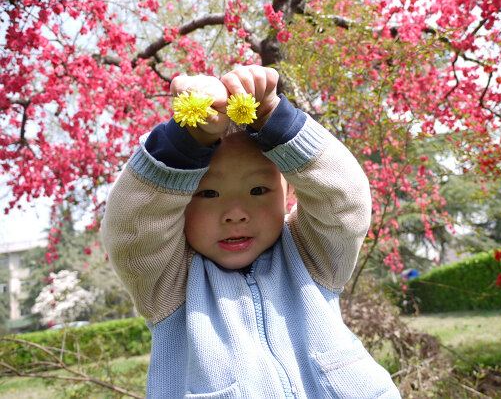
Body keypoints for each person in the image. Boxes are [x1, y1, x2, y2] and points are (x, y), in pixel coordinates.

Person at [101, 65, 401, 398]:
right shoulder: (168, 283)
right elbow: (134, 228)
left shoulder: (312, 253)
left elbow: (343, 198)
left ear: (289, 196)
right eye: (208, 194)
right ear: (178, 203)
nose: (235, 215)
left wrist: (272, 117)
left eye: (258, 191)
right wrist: (189, 139)